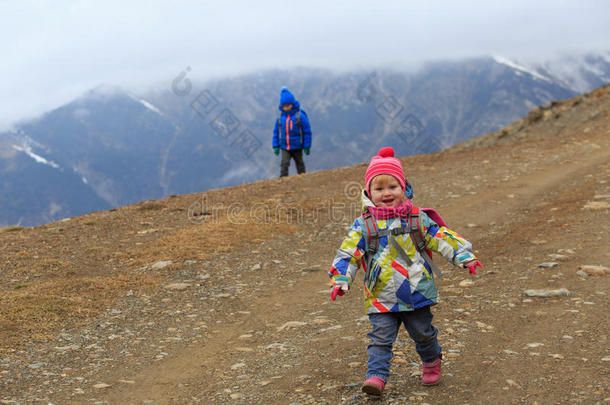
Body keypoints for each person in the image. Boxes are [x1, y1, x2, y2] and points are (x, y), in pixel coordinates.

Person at [328, 147, 482, 396]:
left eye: (392, 187)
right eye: (379, 189)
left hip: (416, 290)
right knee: (380, 338)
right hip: (381, 296)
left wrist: (463, 255)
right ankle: (376, 377)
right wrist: (341, 277)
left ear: (404, 187)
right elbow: (348, 253)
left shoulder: (416, 218)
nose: (386, 193)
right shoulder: (363, 226)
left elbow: (439, 237)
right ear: (369, 192)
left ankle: (431, 359)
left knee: (422, 333)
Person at [272, 87, 312, 177]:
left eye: (288, 105)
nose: (286, 108)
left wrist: (307, 146)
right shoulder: (280, 118)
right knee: (284, 163)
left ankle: (303, 178)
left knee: (299, 163)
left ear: (292, 104)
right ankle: (283, 180)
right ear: (281, 106)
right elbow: (276, 133)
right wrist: (275, 146)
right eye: (284, 106)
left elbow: (307, 131)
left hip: (297, 145)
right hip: (285, 146)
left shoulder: (300, 116)